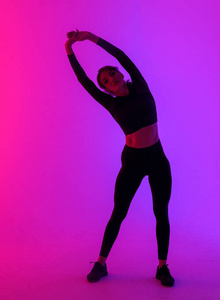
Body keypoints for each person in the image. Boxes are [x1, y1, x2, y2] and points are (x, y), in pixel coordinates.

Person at [65, 30, 175, 287]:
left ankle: (162, 267)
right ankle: (101, 263)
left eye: (112, 74)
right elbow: (84, 81)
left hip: (157, 158)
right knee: (119, 212)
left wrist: (90, 38)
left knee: (161, 211)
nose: (110, 79)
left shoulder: (141, 87)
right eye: (105, 80)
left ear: (121, 75)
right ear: (106, 89)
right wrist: (69, 49)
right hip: (133, 161)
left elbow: (121, 56)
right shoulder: (111, 103)